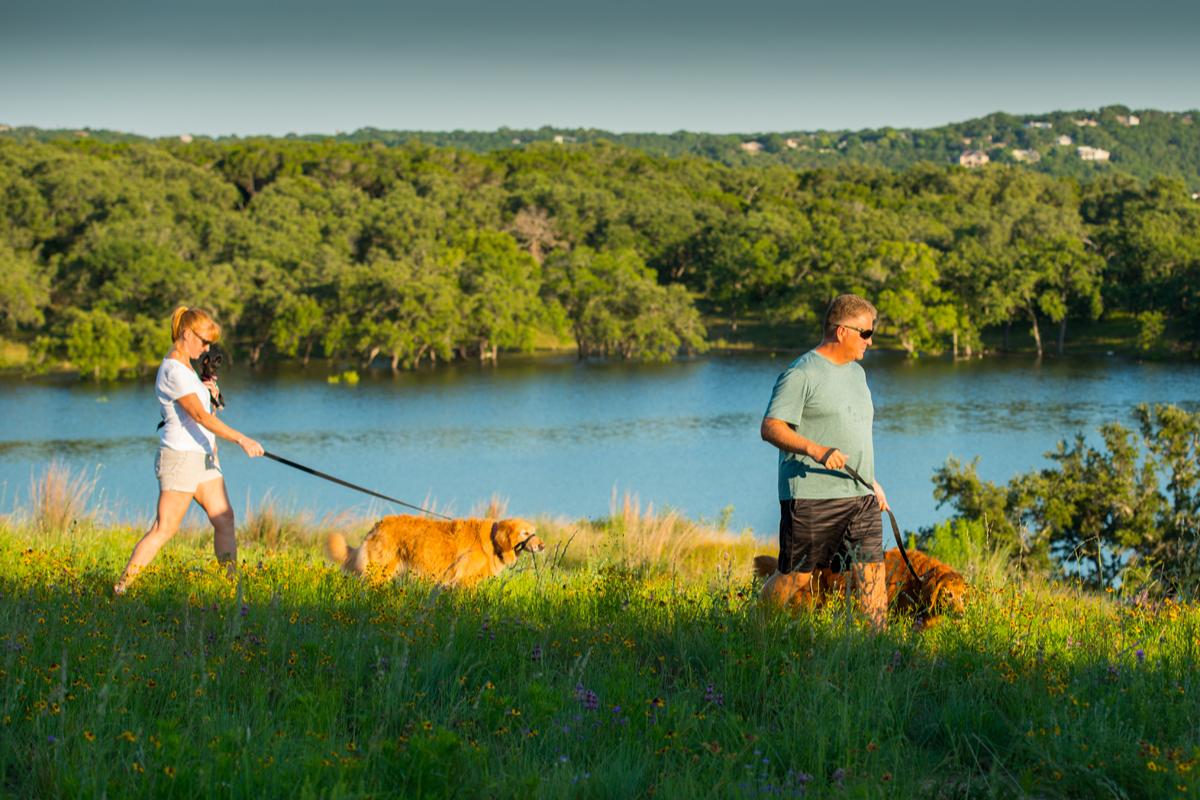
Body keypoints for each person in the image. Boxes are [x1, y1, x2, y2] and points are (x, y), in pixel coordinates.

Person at [759, 293, 889, 630]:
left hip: (859, 497)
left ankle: (883, 652)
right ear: (841, 330)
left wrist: (871, 481)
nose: (870, 341)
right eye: (865, 333)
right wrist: (817, 451)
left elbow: (853, 431)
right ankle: (754, 627)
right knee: (796, 579)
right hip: (811, 495)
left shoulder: (857, 375)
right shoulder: (801, 374)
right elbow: (771, 427)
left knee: (872, 572)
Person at [114, 306, 264, 595]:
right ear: (186, 333)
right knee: (165, 528)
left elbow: (207, 416)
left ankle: (233, 589)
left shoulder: (189, 370)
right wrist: (242, 439)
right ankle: (122, 588)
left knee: (225, 518)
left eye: (210, 343)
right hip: (180, 458)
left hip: (203, 457)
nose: (207, 348)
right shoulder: (172, 370)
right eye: (203, 341)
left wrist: (212, 397)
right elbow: (198, 416)